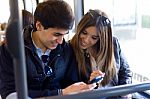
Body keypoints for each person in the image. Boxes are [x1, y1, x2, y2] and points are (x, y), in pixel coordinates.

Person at [0, 1, 96, 99]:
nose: (60, 41)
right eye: (57, 34)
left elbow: (72, 85)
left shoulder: (66, 49)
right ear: (39, 26)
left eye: (64, 34)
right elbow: (10, 94)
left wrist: (89, 82)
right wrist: (60, 93)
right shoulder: (10, 50)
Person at [70, 9, 132, 98]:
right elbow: (71, 85)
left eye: (94, 37)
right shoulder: (70, 49)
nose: (86, 40)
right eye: (84, 33)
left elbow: (125, 71)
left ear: (102, 38)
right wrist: (91, 83)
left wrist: (125, 91)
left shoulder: (113, 44)